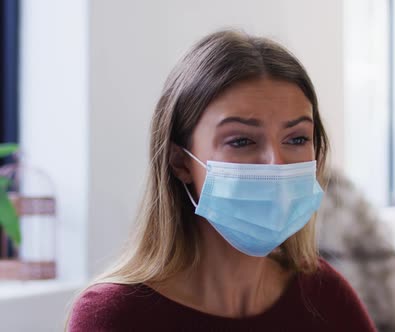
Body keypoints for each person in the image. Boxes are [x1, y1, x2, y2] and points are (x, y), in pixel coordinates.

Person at [67, 30, 376, 331]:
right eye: (241, 141)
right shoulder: (113, 317)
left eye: (296, 139)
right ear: (180, 161)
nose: (276, 164)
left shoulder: (327, 298)